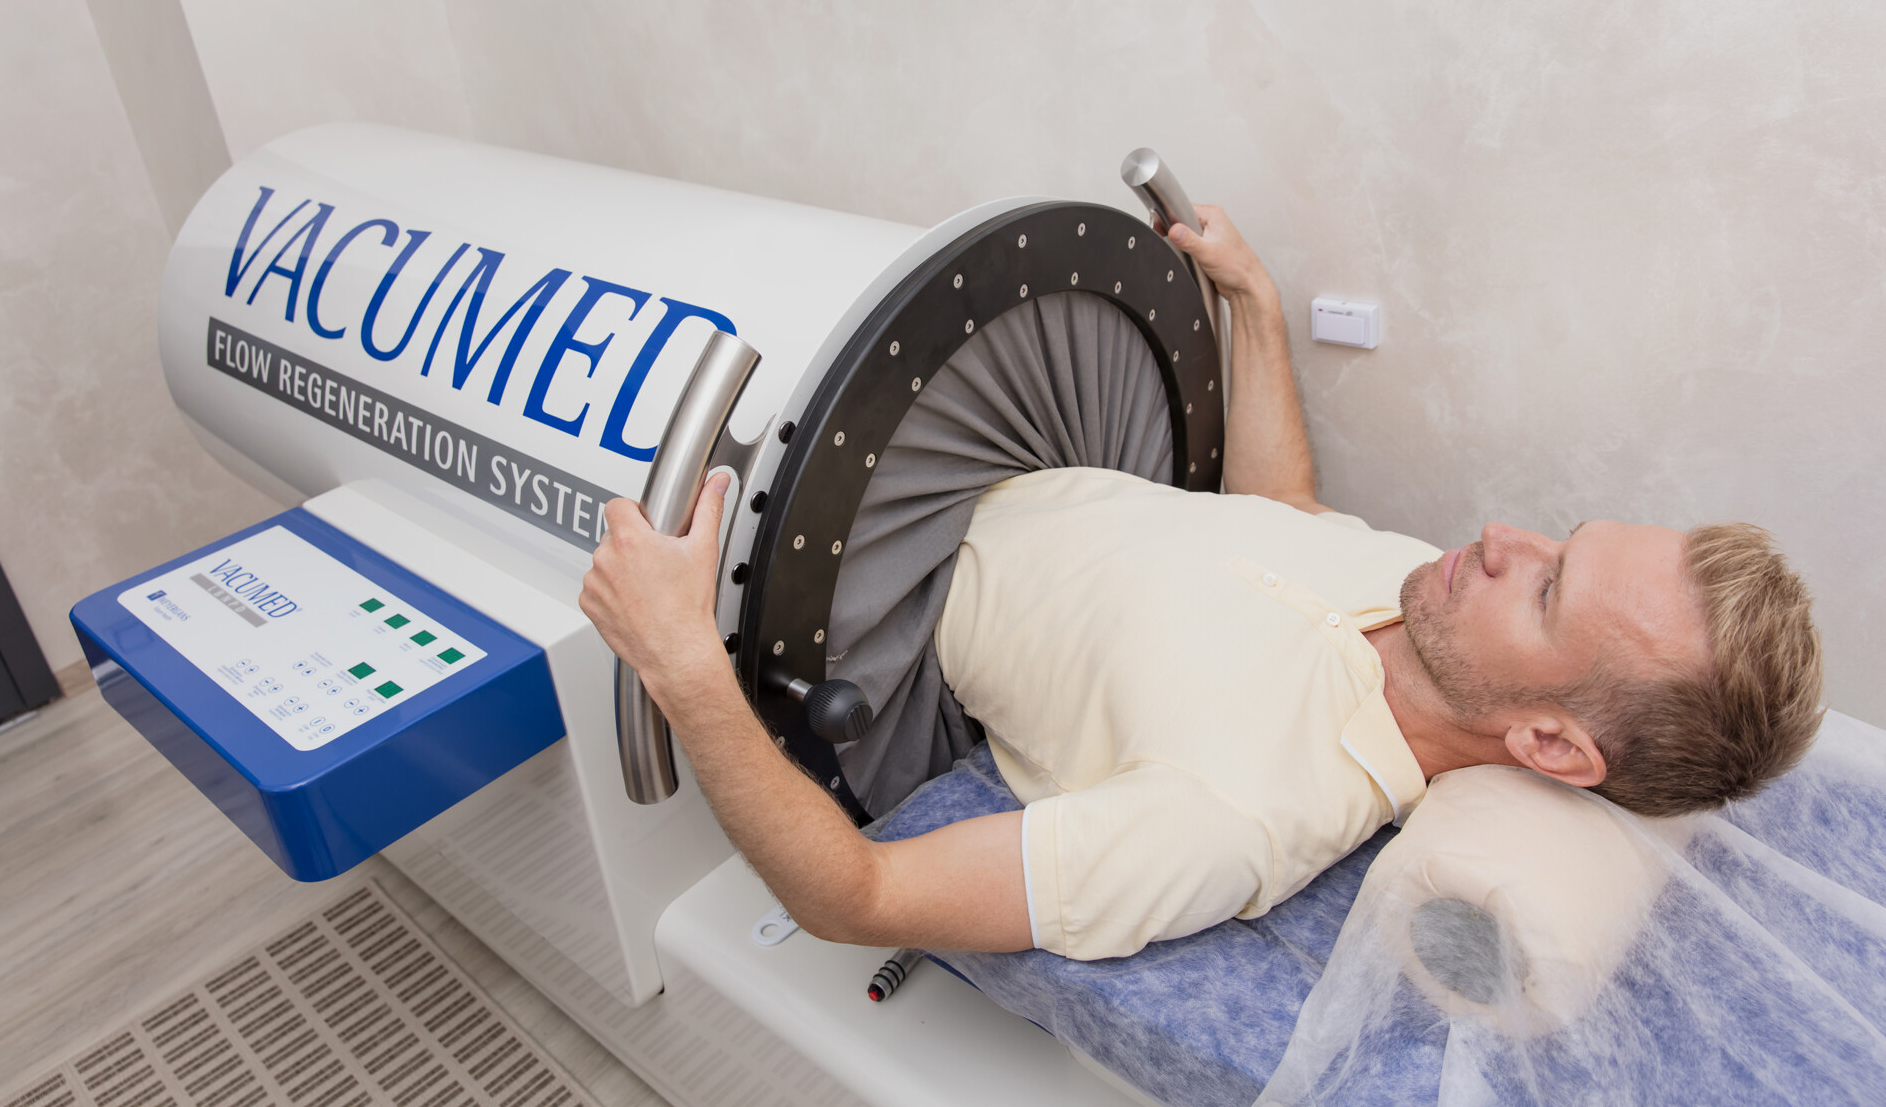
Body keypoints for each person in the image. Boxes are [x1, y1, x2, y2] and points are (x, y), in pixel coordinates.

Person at [579, 205, 1824, 961]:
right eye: (1559, 537)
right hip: (1009, 443)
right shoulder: (1429, 602)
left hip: (885, 596)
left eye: (1547, 591)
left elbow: (858, 896)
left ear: (1549, 741)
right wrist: (1257, 309)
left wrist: (682, 661)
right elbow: (1283, 515)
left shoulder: (1236, 818)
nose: (1504, 536)